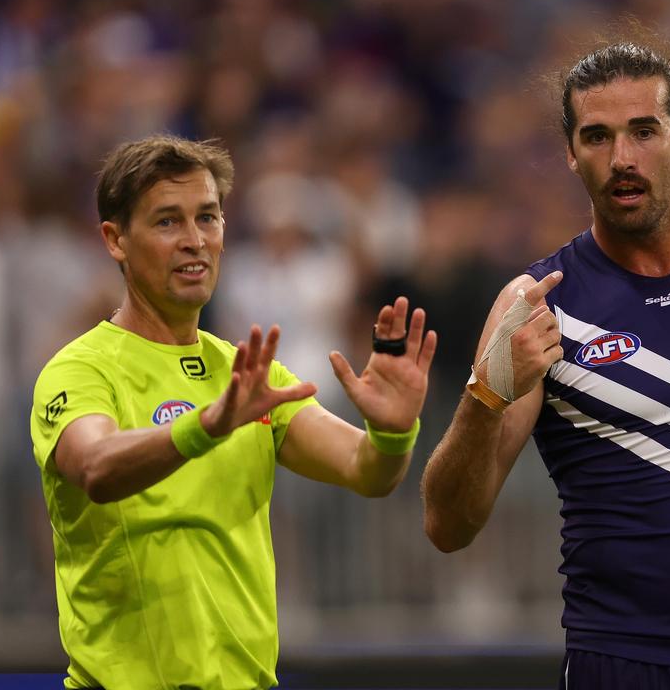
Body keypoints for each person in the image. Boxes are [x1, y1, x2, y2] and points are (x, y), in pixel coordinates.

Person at [421, 42, 670, 688]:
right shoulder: (537, 304)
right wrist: (484, 395)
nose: (623, 159)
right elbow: (447, 526)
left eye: (644, 131)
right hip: (621, 662)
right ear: (571, 153)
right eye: (598, 137)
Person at [29, 134, 436, 690]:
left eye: (209, 218)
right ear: (115, 239)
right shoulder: (80, 370)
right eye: (168, 222)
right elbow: (96, 466)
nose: (195, 241)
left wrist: (391, 431)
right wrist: (206, 425)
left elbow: (366, 472)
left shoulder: (249, 374)